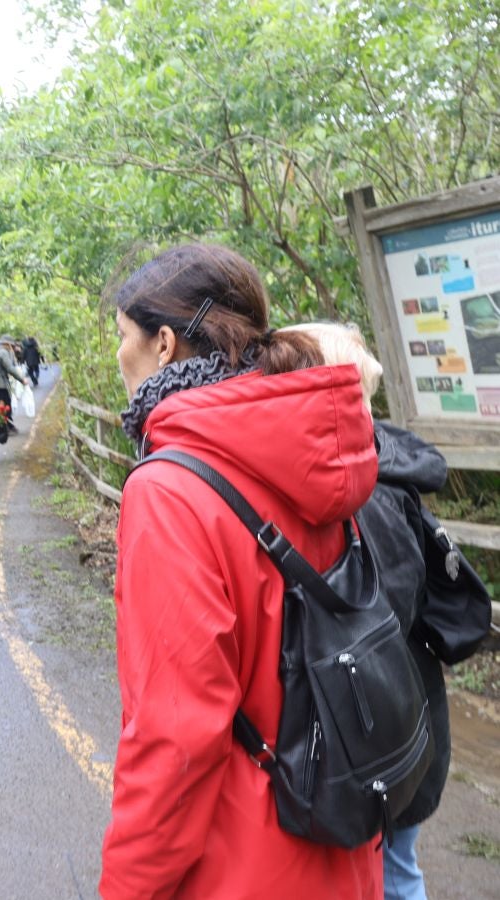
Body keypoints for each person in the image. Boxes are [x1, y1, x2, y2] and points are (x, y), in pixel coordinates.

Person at [101, 244, 382, 897]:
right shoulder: (315, 439)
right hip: (344, 836)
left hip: (246, 862)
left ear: (163, 343)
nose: (118, 355)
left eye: (122, 336)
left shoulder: (170, 488)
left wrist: (127, 888)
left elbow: (174, 737)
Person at [285, 322, 491, 900]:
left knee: (390, 873)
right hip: (407, 717)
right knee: (399, 869)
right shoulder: (388, 475)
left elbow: (384, 613)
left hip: (377, 727)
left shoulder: (363, 494)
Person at [0, 335, 29, 431]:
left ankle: (4, 426)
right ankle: (4, 427)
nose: (13, 348)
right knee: (5, 406)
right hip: (0, 384)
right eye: (12, 345)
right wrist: (22, 379)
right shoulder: (3, 353)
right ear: (8, 344)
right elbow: (10, 368)